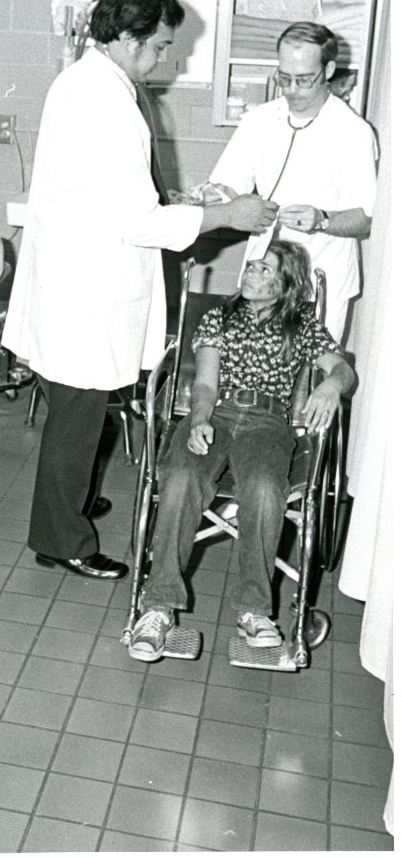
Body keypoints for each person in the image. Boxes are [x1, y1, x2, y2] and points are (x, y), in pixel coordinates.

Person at [1, 0, 279, 581]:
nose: (162, 57)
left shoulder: (90, 82)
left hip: (80, 276)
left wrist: (178, 200)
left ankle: (68, 498)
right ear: (128, 38)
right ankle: (60, 537)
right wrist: (227, 215)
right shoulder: (103, 101)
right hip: (87, 288)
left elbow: (114, 193)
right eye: (159, 45)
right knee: (77, 415)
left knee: (81, 411)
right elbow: (137, 221)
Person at [129, 240, 354, 661]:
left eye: (265, 270)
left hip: (267, 422)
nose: (251, 272)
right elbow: (205, 383)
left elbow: (342, 369)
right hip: (216, 412)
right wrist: (199, 420)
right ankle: (157, 607)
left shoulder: (302, 324)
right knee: (180, 477)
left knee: (266, 489)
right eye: (252, 265)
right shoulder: (220, 317)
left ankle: (254, 611)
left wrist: (330, 385)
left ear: (287, 284)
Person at [209, 21, 377, 341]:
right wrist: (211, 195)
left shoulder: (353, 132)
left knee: (309, 368)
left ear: (328, 70)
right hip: (262, 276)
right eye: (283, 78)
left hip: (320, 278)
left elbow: (366, 219)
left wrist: (322, 219)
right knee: (251, 363)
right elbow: (228, 185)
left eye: (303, 80)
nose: (291, 90)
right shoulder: (258, 121)